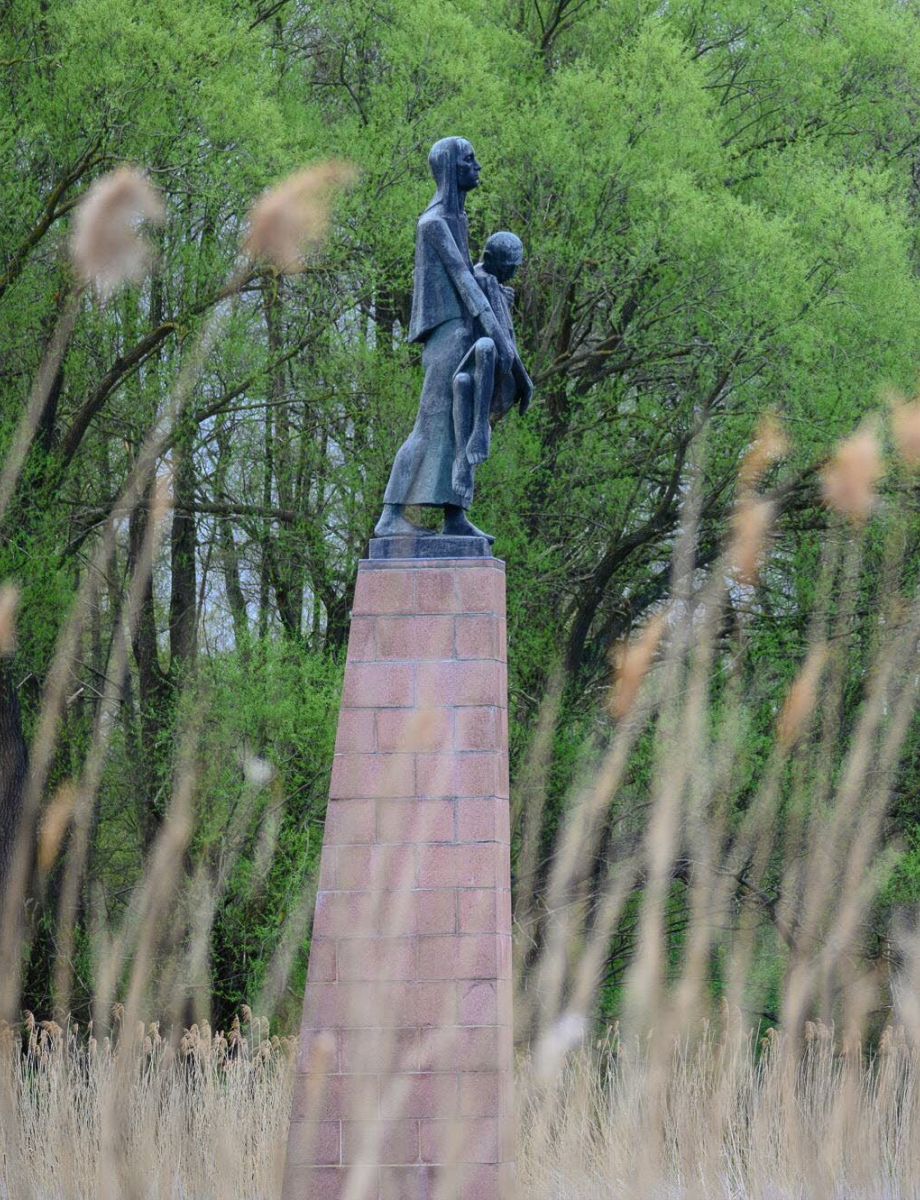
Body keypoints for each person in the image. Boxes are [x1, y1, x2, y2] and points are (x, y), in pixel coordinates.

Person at [374, 137, 516, 543]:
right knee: (431, 422)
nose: (478, 167)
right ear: (452, 169)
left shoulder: (458, 219)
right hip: (447, 332)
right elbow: (460, 277)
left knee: (462, 423)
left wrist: (492, 287)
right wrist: (495, 332)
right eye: (470, 161)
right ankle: (391, 514)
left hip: (463, 329)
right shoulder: (433, 222)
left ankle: (456, 515)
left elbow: (470, 275)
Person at [451, 231, 534, 507]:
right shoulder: (483, 281)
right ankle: (479, 431)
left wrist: (502, 298)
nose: (514, 273)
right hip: (479, 359)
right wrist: (525, 383)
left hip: (479, 371)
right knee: (488, 345)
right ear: (493, 261)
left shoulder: (490, 282)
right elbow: (505, 343)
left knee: (468, 381)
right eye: (510, 268)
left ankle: (477, 437)